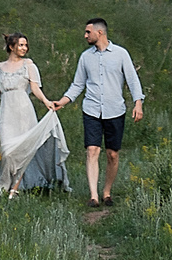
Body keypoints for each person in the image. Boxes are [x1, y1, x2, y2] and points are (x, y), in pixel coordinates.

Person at [50, 16, 143, 208]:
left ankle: (107, 192)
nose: (85, 35)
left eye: (88, 32)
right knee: (92, 150)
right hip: (91, 110)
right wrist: (63, 101)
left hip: (115, 110)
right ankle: (93, 196)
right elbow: (77, 84)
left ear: (99, 32)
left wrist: (138, 103)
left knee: (112, 154)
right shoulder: (86, 57)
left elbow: (132, 80)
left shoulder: (121, 54)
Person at [0, 32, 67, 198]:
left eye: (25, 45)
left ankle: (14, 189)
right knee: (7, 152)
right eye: (21, 45)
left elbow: (35, 88)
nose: (24, 48)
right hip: (7, 113)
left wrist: (46, 102)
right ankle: (3, 186)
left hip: (24, 112)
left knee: (23, 150)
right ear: (11, 47)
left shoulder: (28, 65)